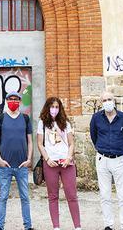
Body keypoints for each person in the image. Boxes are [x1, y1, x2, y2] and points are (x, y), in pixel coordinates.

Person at [89, 90, 123, 230]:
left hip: (119, 159)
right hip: (102, 159)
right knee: (105, 194)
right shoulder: (96, 118)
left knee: (122, 194)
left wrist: (119, 149)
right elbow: (93, 136)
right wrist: (102, 148)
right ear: (101, 103)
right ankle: (108, 224)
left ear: (114, 101)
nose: (107, 102)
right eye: (104, 100)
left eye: (110, 99)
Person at [37, 97, 82, 230]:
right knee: (53, 196)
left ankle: (77, 226)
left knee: (71, 194)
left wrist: (69, 157)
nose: (54, 109)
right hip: (51, 163)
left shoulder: (65, 123)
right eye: (52, 107)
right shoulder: (42, 123)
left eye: (57, 107)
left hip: (66, 163)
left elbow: (71, 143)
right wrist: (47, 159)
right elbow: (40, 143)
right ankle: (56, 226)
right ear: (47, 108)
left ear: (60, 108)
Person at [0, 91, 33, 230]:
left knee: (25, 197)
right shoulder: (1, 118)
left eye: (16, 99)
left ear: (20, 101)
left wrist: (29, 159)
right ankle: (0, 226)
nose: (13, 101)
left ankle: (28, 226)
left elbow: (30, 141)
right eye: (11, 99)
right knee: (3, 197)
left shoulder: (26, 118)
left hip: (22, 166)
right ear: (7, 100)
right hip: (5, 166)